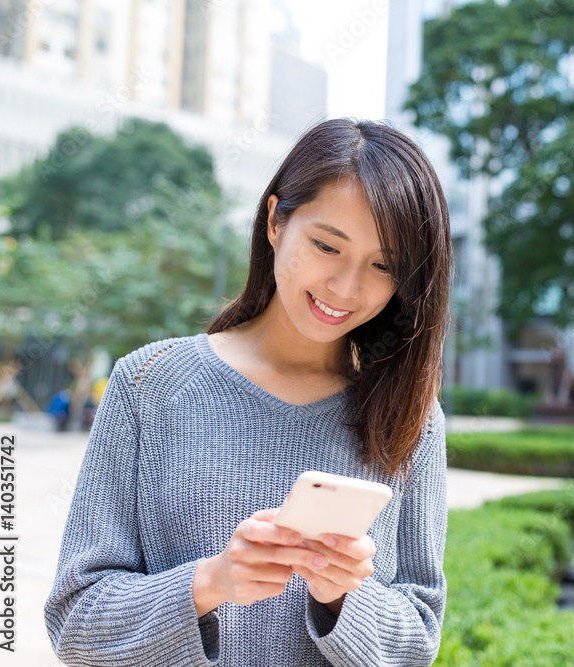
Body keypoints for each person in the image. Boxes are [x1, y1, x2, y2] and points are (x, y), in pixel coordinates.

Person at [44, 119, 453, 666]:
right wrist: (210, 582)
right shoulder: (149, 384)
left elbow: (419, 641)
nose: (346, 287)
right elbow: (76, 623)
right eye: (327, 245)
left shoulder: (412, 417)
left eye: (384, 266)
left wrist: (341, 599)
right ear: (275, 223)